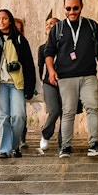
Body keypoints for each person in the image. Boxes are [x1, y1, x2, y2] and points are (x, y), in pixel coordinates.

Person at [45, 0, 98, 158]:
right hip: (66, 77)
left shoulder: (92, 26)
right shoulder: (57, 29)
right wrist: (51, 71)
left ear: (81, 7)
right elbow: (49, 52)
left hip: (88, 75)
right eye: (68, 8)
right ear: (64, 8)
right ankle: (65, 147)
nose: (72, 12)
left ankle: (94, 144)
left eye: (75, 8)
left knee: (92, 107)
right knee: (68, 111)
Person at [0, 9, 36, 159]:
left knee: (19, 116)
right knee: (3, 117)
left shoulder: (20, 40)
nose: (1, 21)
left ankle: (15, 146)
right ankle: (4, 149)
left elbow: (29, 65)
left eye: (4, 18)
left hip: (17, 84)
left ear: (10, 20)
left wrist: (30, 86)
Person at [38, 17, 63, 153]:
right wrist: (39, 84)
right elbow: (40, 67)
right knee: (54, 110)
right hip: (49, 83)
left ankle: (63, 143)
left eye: (52, 23)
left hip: (66, 83)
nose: (49, 26)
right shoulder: (42, 48)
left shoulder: (65, 45)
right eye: (47, 24)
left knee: (66, 113)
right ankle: (45, 135)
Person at [13, 17, 29, 149]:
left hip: (20, 82)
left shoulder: (23, 43)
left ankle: (22, 138)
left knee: (21, 112)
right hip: (6, 83)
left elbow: (28, 64)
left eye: (19, 29)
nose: (17, 31)